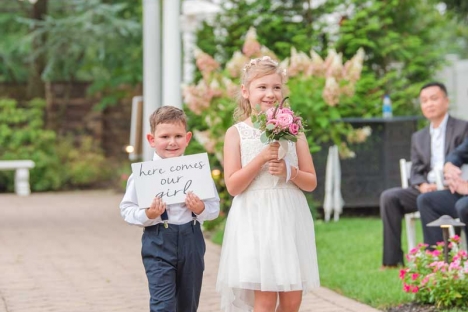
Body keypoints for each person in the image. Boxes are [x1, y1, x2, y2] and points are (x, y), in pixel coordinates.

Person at [216, 56, 320, 312]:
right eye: (262, 87)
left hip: (289, 217)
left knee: (292, 298)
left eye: (276, 87)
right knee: (264, 299)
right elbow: (233, 186)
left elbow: (311, 182)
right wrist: (261, 158)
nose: (270, 94)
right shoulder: (236, 133)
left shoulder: (295, 131)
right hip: (255, 219)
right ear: (246, 91)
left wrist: (290, 171)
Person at [120, 106, 220, 312]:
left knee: (188, 303)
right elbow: (127, 210)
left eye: (178, 136)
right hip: (158, 241)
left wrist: (200, 208)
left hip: (191, 240)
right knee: (163, 304)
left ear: (188, 138)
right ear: (152, 139)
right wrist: (149, 214)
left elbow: (214, 208)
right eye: (165, 136)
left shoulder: (198, 172)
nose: (172, 142)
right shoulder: (143, 175)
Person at [380, 82, 468, 268]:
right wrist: (421, 185)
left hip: (452, 188)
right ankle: (392, 261)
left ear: (446, 101)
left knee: (429, 200)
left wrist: (446, 178)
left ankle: (440, 258)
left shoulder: (462, 128)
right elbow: (416, 169)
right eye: (424, 101)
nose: (429, 104)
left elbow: (461, 157)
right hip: (427, 187)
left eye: (434, 99)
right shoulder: (418, 137)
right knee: (389, 197)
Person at [417, 138, 468, 250]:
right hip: (463, 192)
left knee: (464, 206)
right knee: (427, 201)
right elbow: (458, 154)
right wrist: (449, 166)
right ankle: (439, 260)